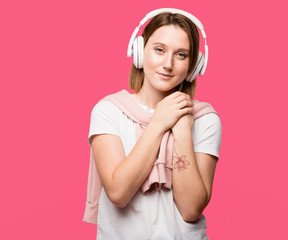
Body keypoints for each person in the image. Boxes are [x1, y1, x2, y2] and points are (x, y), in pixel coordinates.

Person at [84, 8, 222, 240]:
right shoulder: (109, 111)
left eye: (181, 55)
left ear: (194, 65)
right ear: (139, 51)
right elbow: (118, 192)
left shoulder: (206, 119)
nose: (168, 63)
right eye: (159, 50)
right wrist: (159, 123)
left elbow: (190, 209)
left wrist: (183, 131)